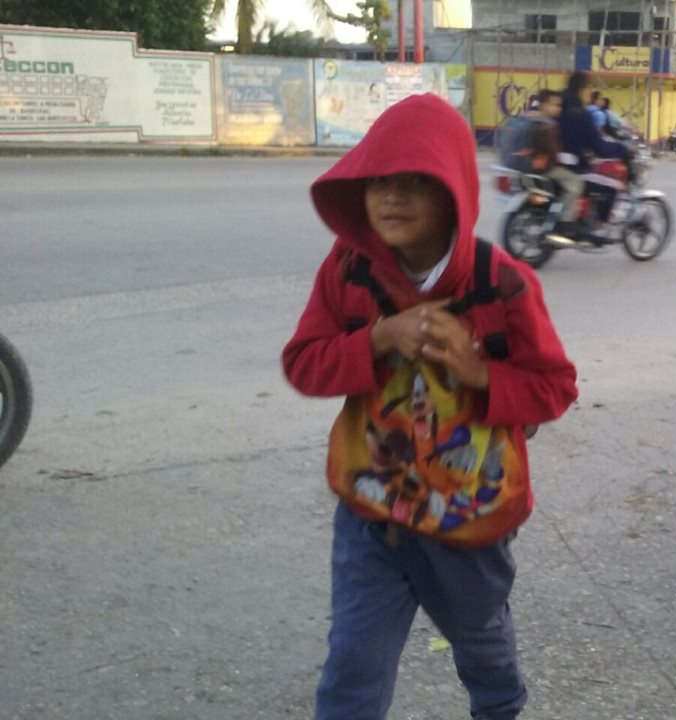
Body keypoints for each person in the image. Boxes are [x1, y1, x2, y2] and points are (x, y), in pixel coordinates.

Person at [282, 93, 579, 719]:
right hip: (373, 513)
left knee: (481, 642)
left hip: (470, 520)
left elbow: (554, 387)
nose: (393, 197)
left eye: (418, 181)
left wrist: (477, 371)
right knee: (352, 666)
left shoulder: (503, 284)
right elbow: (304, 363)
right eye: (380, 181)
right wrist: (376, 340)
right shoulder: (347, 269)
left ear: (457, 192)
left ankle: (501, 708)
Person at [499, 88, 585, 236]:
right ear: (543, 105)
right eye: (555, 105)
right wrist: (568, 158)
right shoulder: (546, 124)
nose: (558, 109)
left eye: (559, 105)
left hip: (522, 167)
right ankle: (566, 221)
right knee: (575, 182)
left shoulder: (526, 118)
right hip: (542, 168)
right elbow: (552, 152)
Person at [558, 71, 630, 229]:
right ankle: (599, 228)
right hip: (574, 167)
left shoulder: (559, 106)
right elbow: (598, 146)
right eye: (589, 89)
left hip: (558, 162)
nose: (590, 94)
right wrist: (622, 149)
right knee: (612, 185)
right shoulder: (581, 114)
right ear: (581, 90)